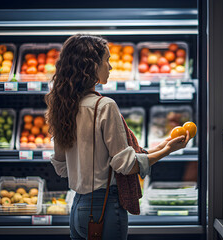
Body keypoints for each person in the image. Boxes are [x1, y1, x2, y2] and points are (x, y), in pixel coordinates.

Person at [45, 34, 191, 240]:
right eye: (107, 60)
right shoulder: (104, 106)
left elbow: (61, 167)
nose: (110, 67)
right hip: (105, 208)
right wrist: (167, 152)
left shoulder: (63, 106)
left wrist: (161, 145)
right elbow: (127, 166)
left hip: (77, 207)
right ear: (91, 66)